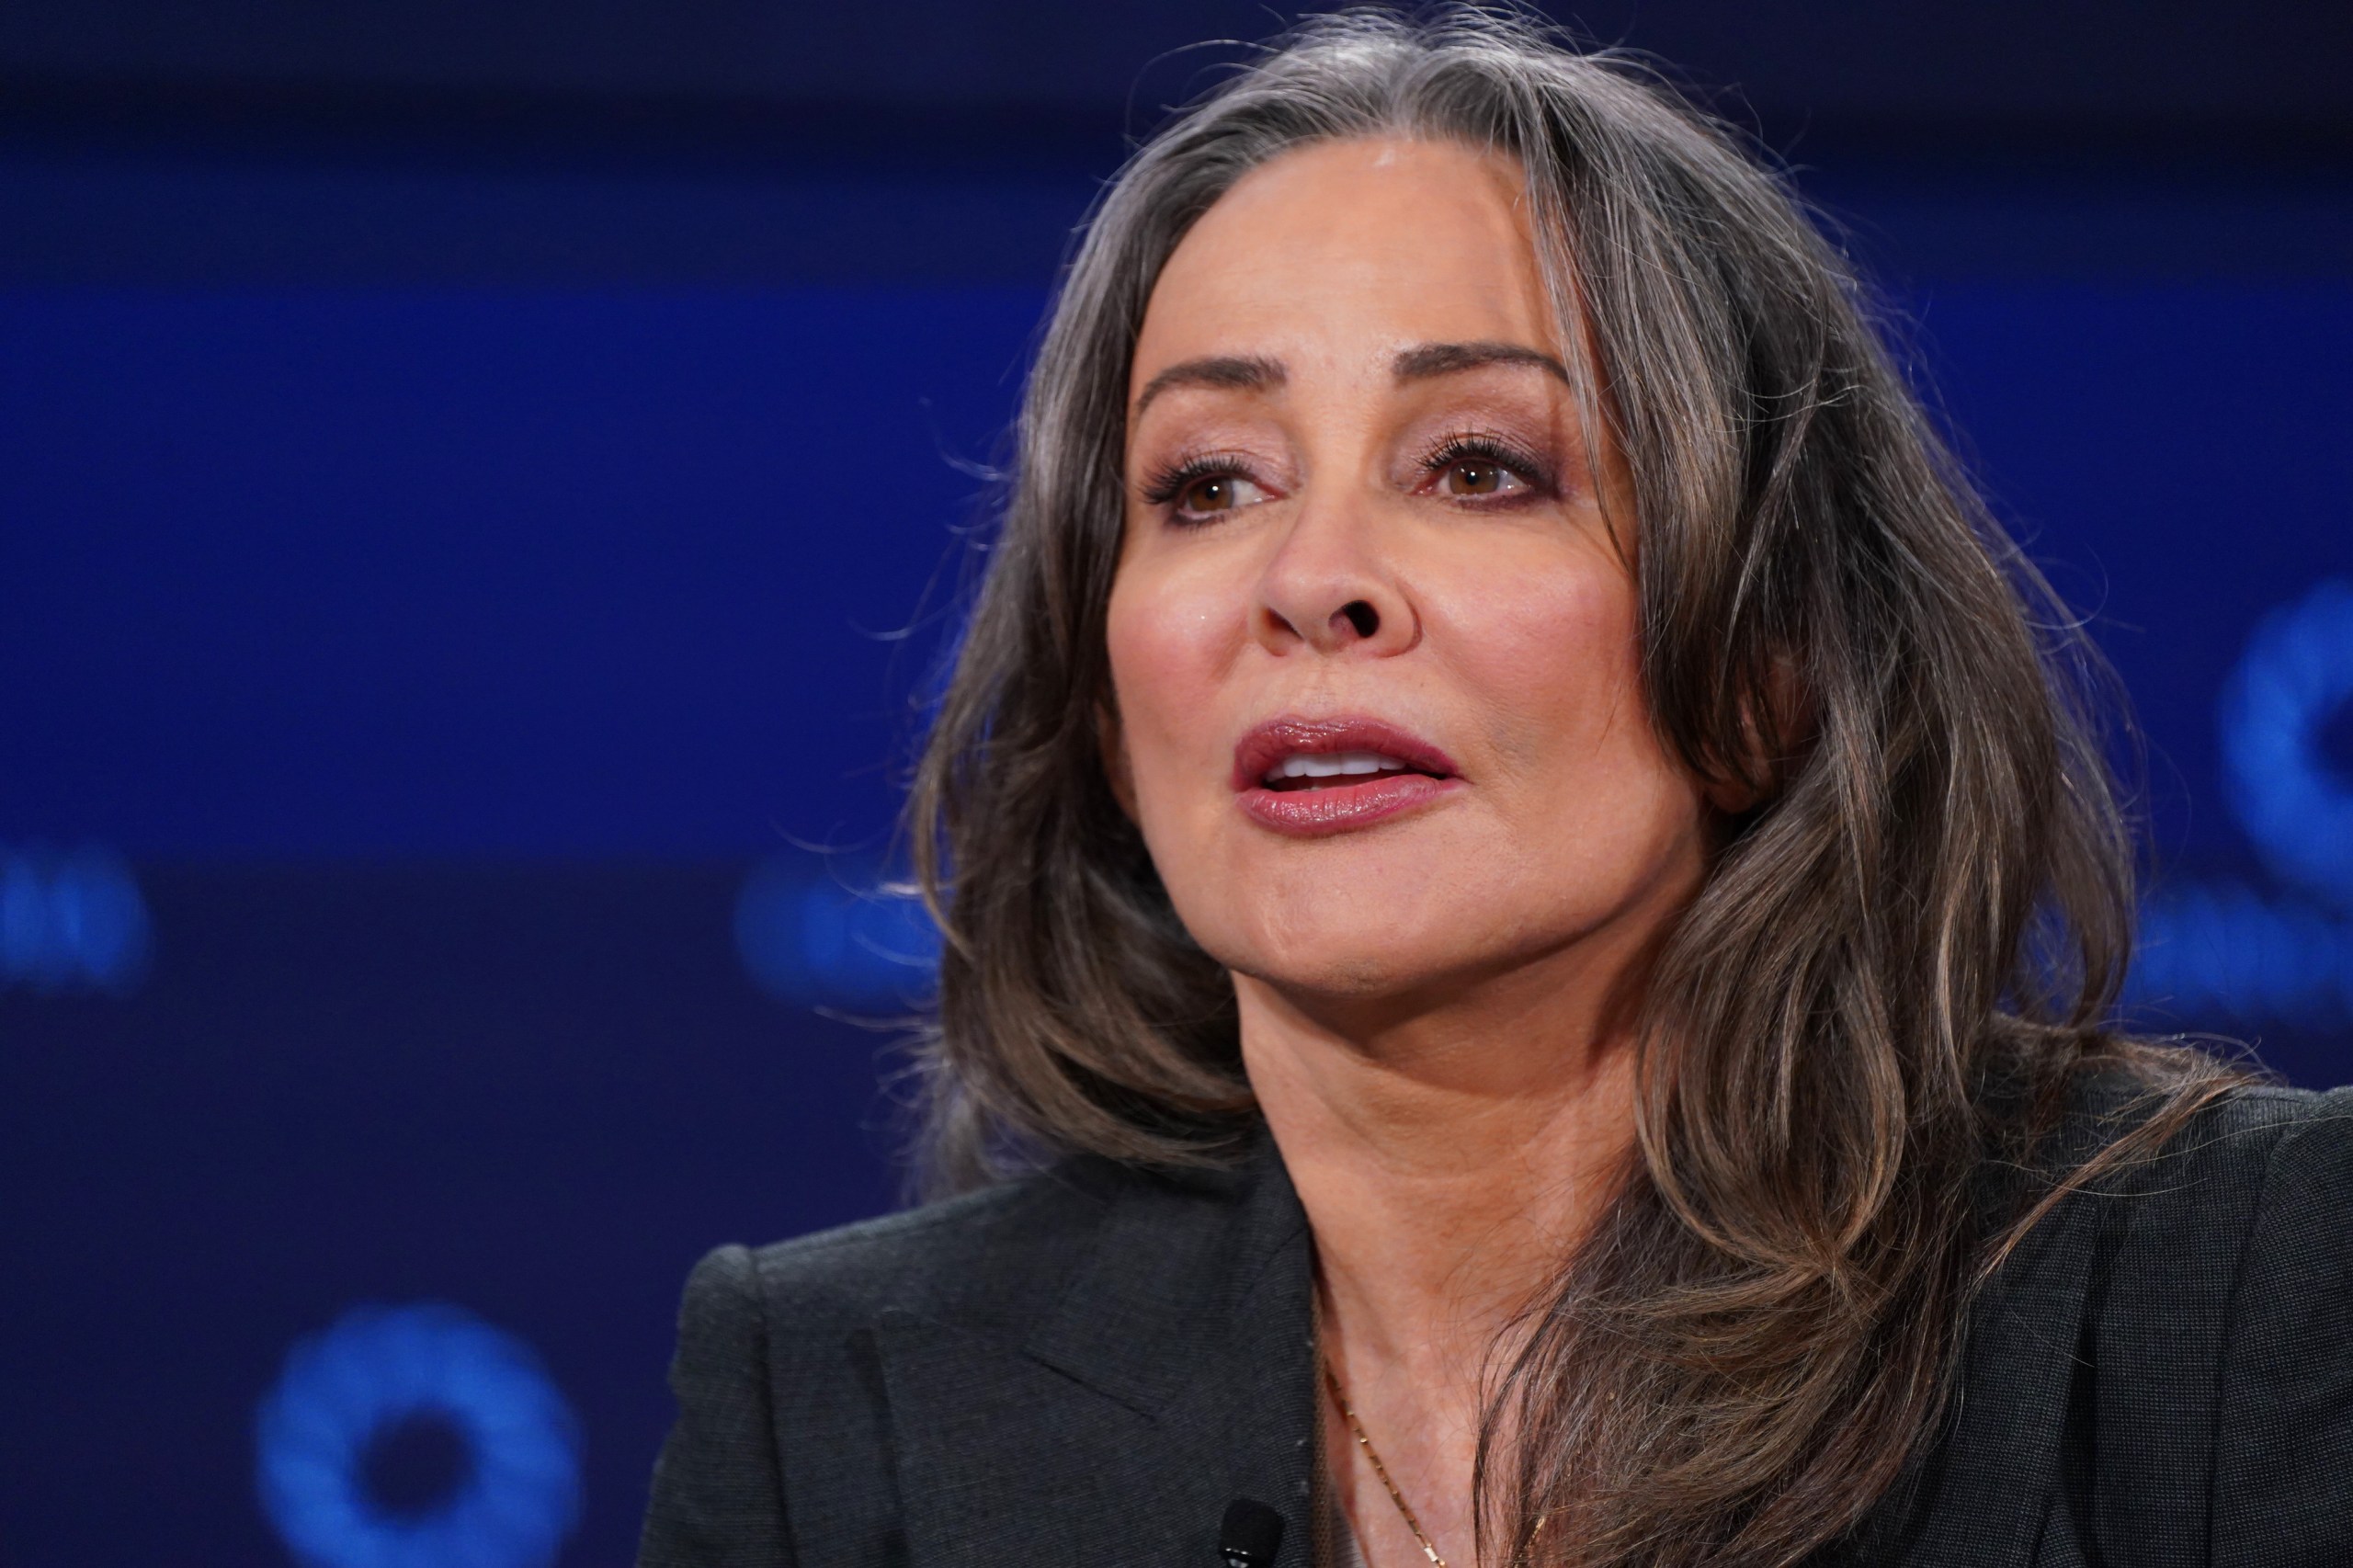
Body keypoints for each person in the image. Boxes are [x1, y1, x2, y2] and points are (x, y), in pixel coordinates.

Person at [638, 11, 2353, 1566]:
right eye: (1209, 482)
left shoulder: (2245, 1296)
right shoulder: (844, 1406)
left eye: (1478, 465)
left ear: (1769, 659)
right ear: (1104, 698)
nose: (1311, 580)